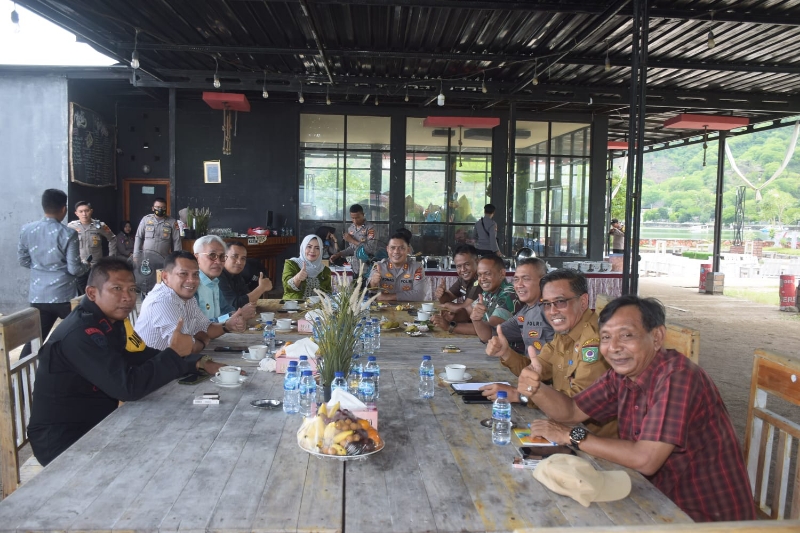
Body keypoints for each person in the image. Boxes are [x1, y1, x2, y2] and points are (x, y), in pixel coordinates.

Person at [517, 296, 757, 522]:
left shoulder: (678, 377)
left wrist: (571, 435)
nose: (614, 347)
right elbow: (571, 411)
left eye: (627, 335)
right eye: (606, 337)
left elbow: (645, 459)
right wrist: (536, 389)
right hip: (654, 496)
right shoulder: (623, 374)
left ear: (657, 337)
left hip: (702, 516)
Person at [27, 258, 203, 466]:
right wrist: (174, 354)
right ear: (92, 293)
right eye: (117, 289)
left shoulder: (109, 321)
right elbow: (128, 387)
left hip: (97, 423)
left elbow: (137, 357)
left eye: (132, 289)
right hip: (63, 440)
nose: (128, 297)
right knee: (168, 454)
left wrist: (194, 362)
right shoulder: (80, 333)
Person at [17, 189, 91, 356]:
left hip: (39, 296)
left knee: (34, 341)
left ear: (44, 206)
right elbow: (74, 269)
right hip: (65, 297)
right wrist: (86, 265)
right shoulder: (68, 233)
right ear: (64, 209)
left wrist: (42, 268)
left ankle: (24, 371)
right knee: (80, 333)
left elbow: (23, 261)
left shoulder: (26, 230)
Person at [136, 251, 248, 353]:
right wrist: (202, 341)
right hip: (152, 366)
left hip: (173, 363)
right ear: (165, 277)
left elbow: (206, 328)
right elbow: (183, 347)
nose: (192, 280)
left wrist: (227, 325)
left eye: (195, 274)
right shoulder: (162, 301)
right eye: (183, 274)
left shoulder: (187, 298)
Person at [481, 257, 555, 374]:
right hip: (532, 374)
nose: (519, 285)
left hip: (552, 379)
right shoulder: (525, 312)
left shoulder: (553, 311)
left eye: (526, 279)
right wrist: (476, 319)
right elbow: (493, 334)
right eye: (516, 279)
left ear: (543, 281)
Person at [193, 235, 256, 322]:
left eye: (222, 256)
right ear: (197, 258)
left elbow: (227, 309)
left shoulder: (215, 281)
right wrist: (238, 315)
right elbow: (198, 325)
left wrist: (235, 315)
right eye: (212, 255)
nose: (218, 261)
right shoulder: (191, 285)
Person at [458, 255, 517, 341]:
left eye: (487, 273)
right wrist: (452, 316)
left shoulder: (509, 294)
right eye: (479, 275)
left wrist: (451, 326)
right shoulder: (488, 292)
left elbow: (490, 332)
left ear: (502, 273)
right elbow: (467, 311)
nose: (482, 279)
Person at [68, 201, 117, 293]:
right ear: (76, 213)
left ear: (91, 211)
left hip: (96, 266)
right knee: (81, 293)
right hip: (79, 265)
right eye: (81, 211)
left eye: (86, 211)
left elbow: (112, 239)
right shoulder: (71, 226)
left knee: (97, 291)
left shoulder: (100, 226)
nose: (84, 214)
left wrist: (111, 258)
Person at [430, 245, 481, 333]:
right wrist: (441, 294)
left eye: (467, 264)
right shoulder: (463, 279)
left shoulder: (480, 280)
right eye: (458, 266)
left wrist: (448, 305)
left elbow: (466, 308)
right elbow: (447, 298)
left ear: (477, 262)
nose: (463, 269)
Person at [368, 231, 426, 302]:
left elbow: (419, 295)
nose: (396, 252)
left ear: (408, 250)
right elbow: (371, 293)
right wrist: (373, 283)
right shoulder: (379, 266)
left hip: (408, 308)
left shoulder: (417, 268)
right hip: (384, 308)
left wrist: (387, 297)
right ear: (387, 249)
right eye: (392, 248)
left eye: (401, 248)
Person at [218, 241, 273, 310]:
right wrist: (261, 288)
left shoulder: (236, 275)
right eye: (235, 256)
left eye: (243, 258)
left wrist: (261, 288)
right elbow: (234, 306)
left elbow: (249, 301)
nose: (239, 262)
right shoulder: (218, 276)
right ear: (224, 257)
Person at [330, 204, 377, 276]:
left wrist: (351, 240)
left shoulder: (370, 228)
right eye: (352, 218)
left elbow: (370, 249)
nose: (355, 221)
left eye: (357, 218)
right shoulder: (351, 228)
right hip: (355, 267)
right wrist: (339, 254)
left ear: (363, 215)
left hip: (367, 267)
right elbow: (352, 248)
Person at [282, 234, 332, 300]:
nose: (312, 251)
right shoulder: (292, 264)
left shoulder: (325, 270)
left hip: (318, 306)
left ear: (321, 251)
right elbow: (287, 288)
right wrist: (297, 278)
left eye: (317, 248)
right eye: (309, 247)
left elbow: (328, 293)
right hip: (295, 305)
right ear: (303, 247)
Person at [132, 197, 182, 263]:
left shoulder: (172, 222)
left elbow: (177, 240)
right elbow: (139, 237)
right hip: (147, 259)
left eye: (163, 207)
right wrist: (136, 255)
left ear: (166, 208)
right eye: (157, 207)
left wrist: (177, 258)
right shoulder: (146, 220)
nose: (160, 209)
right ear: (153, 208)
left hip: (163, 259)